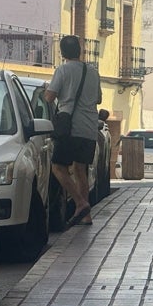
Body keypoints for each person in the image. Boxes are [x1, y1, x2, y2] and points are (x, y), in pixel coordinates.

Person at [45, 36, 102, 226]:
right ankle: (86, 216)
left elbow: (48, 97)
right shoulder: (93, 72)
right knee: (81, 169)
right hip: (89, 128)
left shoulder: (62, 70)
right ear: (80, 50)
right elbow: (98, 99)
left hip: (70, 128)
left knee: (58, 167)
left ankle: (80, 202)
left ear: (62, 53)